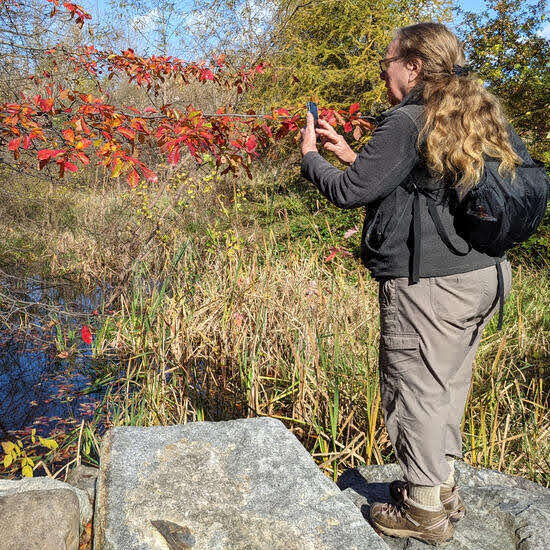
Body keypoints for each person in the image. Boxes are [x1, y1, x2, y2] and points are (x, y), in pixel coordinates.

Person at [299, 22, 534, 545]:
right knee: (447, 382)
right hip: (484, 273)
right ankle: (441, 486)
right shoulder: (475, 110)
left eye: (388, 61)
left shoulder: (408, 119)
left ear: (414, 66)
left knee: (416, 388)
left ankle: (424, 509)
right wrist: (352, 155)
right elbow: (423, 188)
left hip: (432, 284)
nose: (383, 70)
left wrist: (311, 157)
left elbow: (349, 193)